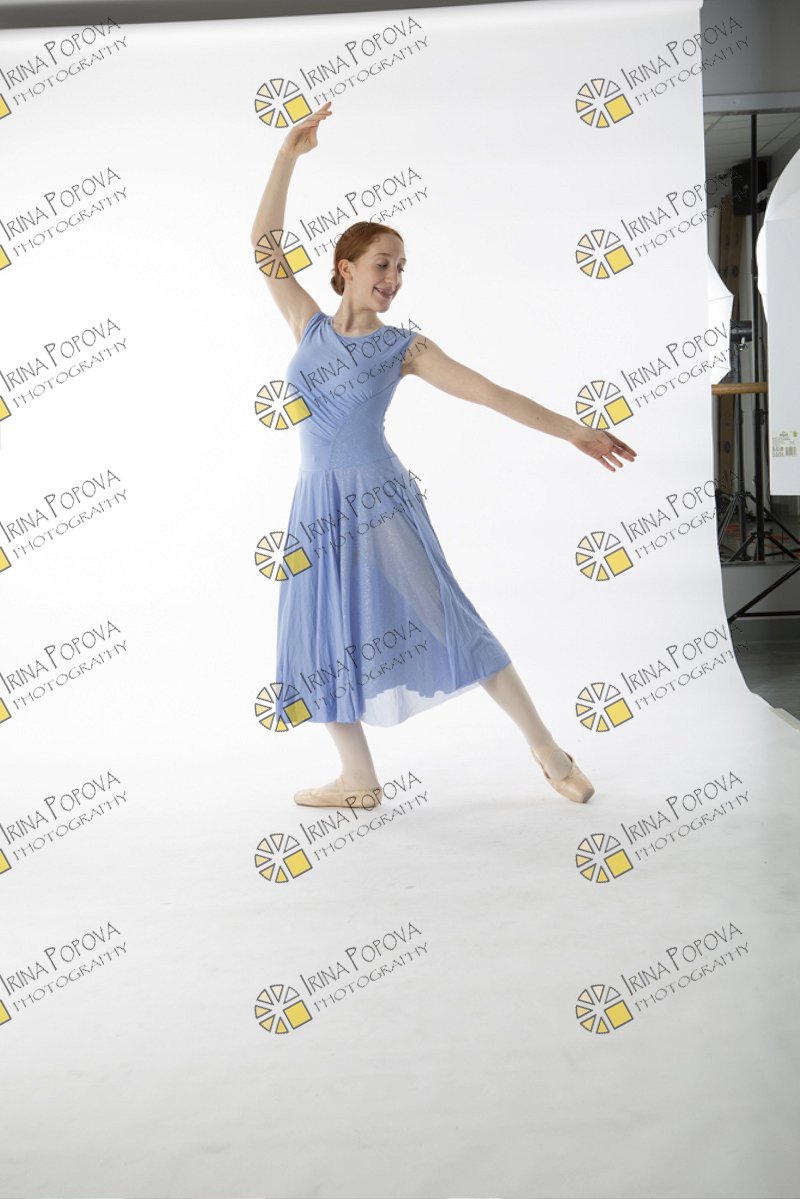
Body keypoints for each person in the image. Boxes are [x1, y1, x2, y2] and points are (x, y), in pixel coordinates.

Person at [250, 101, 636, 809]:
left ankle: (548, 751)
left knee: (450, 618)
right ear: (345, 268)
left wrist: (574, 430)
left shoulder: (406, 347)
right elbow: (265, 246)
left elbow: (489, 393)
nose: (394, 277)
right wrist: (287, 157)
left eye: (401, 267)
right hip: (314, 502)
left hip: (379, 500)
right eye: (383, 263)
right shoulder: (307, 327)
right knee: (320, 635)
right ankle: (358, 777)